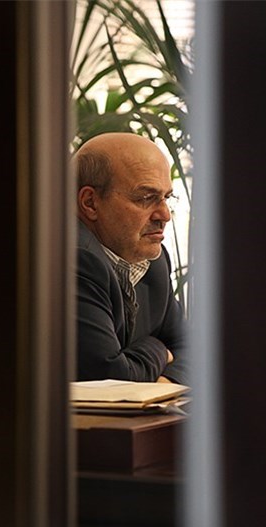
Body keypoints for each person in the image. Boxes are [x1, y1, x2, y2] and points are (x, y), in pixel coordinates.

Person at [75, 132, 188, 385]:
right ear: (90, 203)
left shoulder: (153, 260)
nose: (164, 215)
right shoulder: (75, 259)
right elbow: (110, 380)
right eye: (146, 198)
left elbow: (193, 348)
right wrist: (158, 349)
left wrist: (164, 383)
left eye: (166, 197)